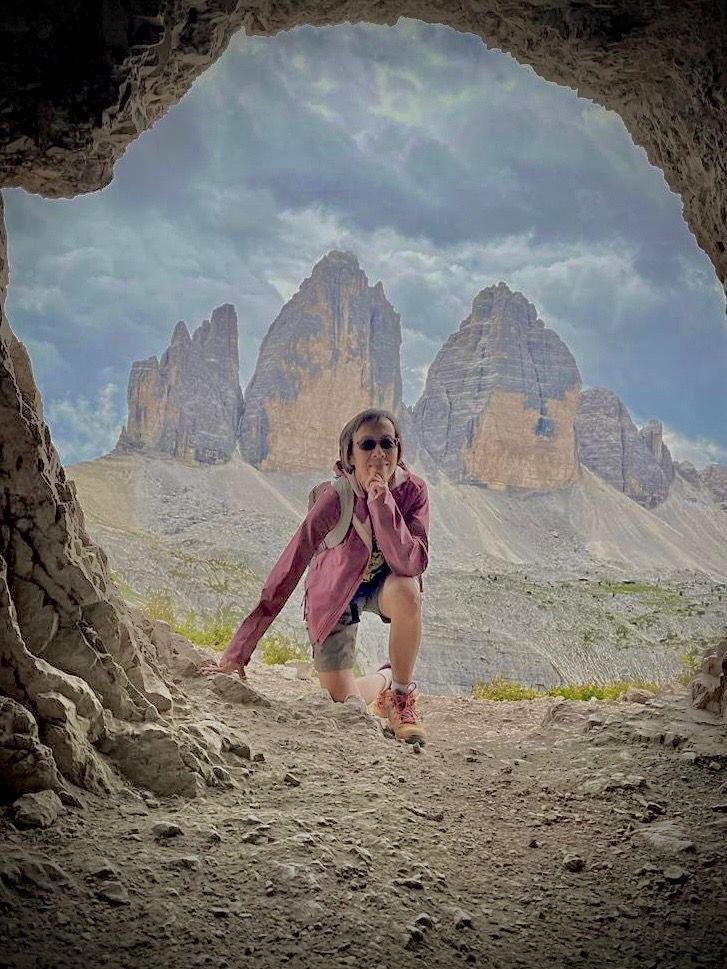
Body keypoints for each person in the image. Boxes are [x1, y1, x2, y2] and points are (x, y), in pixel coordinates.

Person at [200, 408, 429, 744]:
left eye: (387, 443)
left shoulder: (414, 492)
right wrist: (237, 652)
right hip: (334, 596)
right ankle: (384, 679)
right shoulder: (335, 497)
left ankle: (399, 695)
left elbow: (412, 563)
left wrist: (383, 506)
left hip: (386, 586)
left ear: (399, 450)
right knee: (344, 705)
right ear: (350, 454)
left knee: (409, 592)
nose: (379, 453)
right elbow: (289, 567)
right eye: (367, 445)